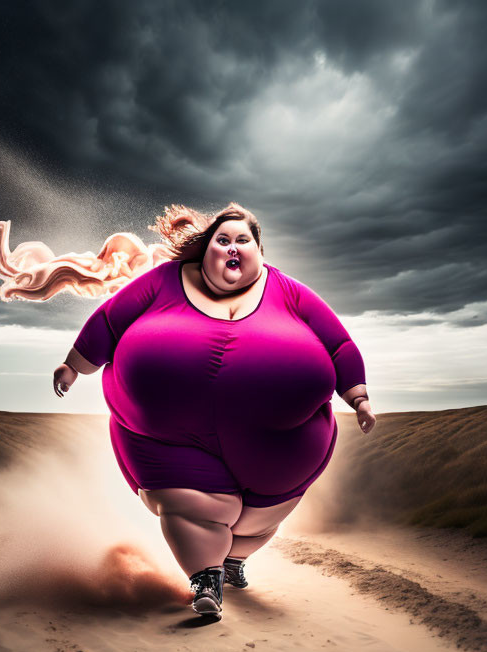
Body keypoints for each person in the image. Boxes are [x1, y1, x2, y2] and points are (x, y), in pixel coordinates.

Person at [51, 203, 376, 618]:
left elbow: (339, 344)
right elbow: (111, 321)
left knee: (254, 522)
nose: (233, 248)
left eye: (244, 240)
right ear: (206, 249)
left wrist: (359, 398)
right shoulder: (163, 282)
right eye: (223, 240)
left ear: (260, 251)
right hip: (169, 443)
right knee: (194, 509)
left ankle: (234, 561)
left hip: (278, 450)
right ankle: (207, 577)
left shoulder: (291, 292)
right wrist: (74, 365)